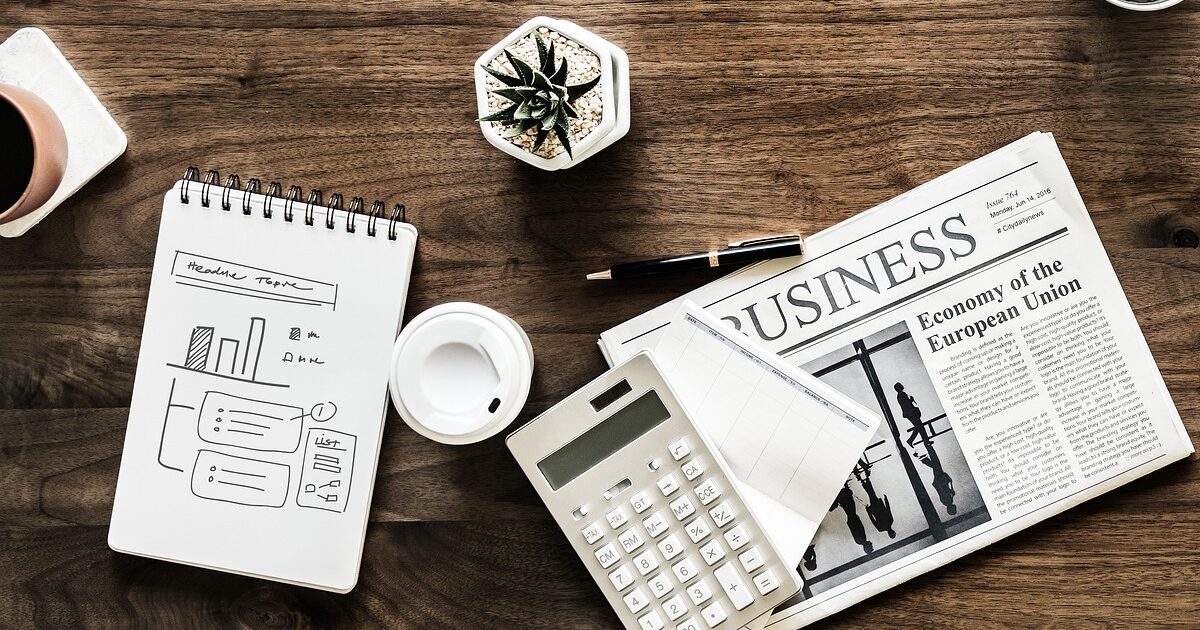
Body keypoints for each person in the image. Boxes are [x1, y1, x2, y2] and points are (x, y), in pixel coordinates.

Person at [854, 457, 896, 539]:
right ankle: (863, 479)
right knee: (871, 493)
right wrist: (869, 511)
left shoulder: (889, 522)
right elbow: (886, 511)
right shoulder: (882, 527)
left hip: (877, 507)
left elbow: (887, 510)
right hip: (876, 508)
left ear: (891, 532)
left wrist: (886, 500)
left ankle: (864, 479)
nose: (891, 531)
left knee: (871, 493)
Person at [830, 482, 873, 554]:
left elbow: (855, 528)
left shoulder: (861, 540)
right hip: (853, 519)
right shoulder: (861, 541)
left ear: (867, 547)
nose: (871, 545)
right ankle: (843, 491)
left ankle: (842, 492)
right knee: (849, 504)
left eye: (871, 546)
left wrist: (854, 519)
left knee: (849, 505)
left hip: (853, 519)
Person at [895, 382, 931, 448]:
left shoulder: (900, 395)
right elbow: (907, 404)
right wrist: (911, 400)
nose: (902, 385)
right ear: (899, 388)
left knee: (920, 427)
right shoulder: (902, 394)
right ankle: (912, 440)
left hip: (909, 414)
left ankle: (925, 441)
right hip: (911, 413)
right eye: (901, 385)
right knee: (919, 426)